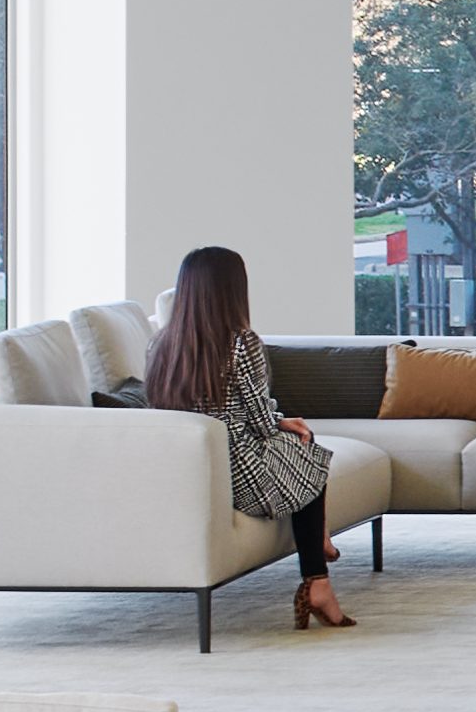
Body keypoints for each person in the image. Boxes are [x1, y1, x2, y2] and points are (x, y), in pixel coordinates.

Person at [142, 243, 357, 628]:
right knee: (309, 452)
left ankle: (319, 563)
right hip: (240, 470)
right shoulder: (242, 342)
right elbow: (258, 420)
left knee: (297, 444)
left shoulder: (161, 346)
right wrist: (280, 422)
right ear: (233, 289)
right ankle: (318, 574)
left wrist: (279, 421)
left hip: (191, 465)